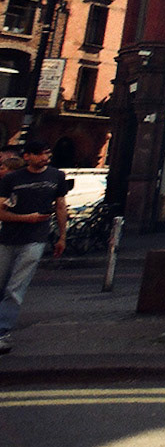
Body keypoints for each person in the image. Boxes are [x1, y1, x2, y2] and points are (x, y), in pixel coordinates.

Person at [0, 138, 69, 354]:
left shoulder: (56, 176)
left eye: (47, 153)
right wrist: (25, 218)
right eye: (39, 153)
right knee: (1, 284)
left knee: (15, 288)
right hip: (8, 238)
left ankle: (2, 333)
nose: (45, 157)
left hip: (36, 239)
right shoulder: (12, 179)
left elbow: (60, 206)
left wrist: (62, 237)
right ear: (27, 156)